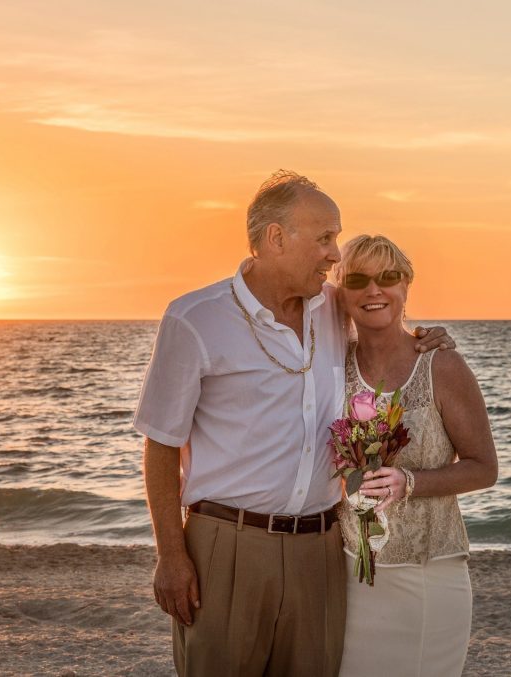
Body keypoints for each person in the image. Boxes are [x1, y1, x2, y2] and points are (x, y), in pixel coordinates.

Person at [133, 171, 456, 677]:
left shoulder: (331, 308)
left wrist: (426, 337)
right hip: (227, 547)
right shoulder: (194, 318)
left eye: (336, 237)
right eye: (325, 237)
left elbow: (380, 318)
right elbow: (160, 446)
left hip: (321, 550)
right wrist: (170, 556)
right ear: (275, 238)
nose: (335, 254)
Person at [333, 234, 498, 677]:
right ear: (339, 290)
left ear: (406, 285)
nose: (374, 290)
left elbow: (485, 467)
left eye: (388, 277)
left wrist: (411, 483)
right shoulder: (331, 367)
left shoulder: (440, 365)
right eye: (358, 279)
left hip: (429, 574)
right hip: (349, 577)